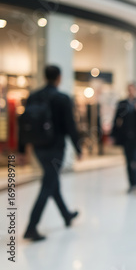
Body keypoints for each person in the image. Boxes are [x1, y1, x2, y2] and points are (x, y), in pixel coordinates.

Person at [19, 65, 82, 241]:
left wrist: (22, 150)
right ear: (59, 78)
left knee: (52, 181)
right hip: (56, 148)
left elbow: (23, 124)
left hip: (39, 148)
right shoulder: (62, 98)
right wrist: (78, 148)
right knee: (48, 184)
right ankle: (31, 227)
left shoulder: (33, 96)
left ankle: (66, 215)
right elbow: (70, 126)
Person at [111, 83, 136, 194]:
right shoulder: (122, 103)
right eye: (129, 89)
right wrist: (113, 135)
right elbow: (116, 120)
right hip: (126, 138)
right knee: (128, 161)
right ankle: (131, 184)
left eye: (133, 89)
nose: (131, 91)